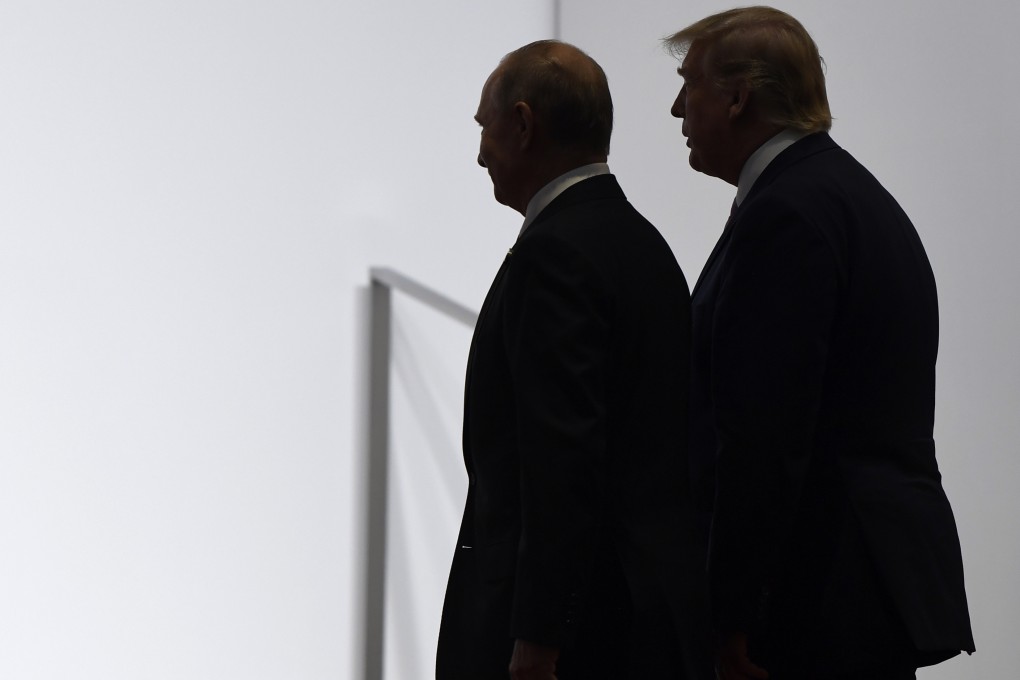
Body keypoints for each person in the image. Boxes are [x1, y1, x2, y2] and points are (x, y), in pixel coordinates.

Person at [664, 7, 975, 680]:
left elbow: (763, 436)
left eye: (689, 85)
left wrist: (732, 614)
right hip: (859, 588)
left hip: (813, 602)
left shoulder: (787, 215)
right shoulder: (846, 197)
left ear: (739, 96)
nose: (675, 108)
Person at [436, 40, 711, 680]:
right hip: (647, 614)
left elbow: (560, 460)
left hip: (581, 636)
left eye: (486, 126)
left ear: (525, 124)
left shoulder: (555, 255)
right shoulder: (643, 245)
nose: (481, 153)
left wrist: (538, 635)